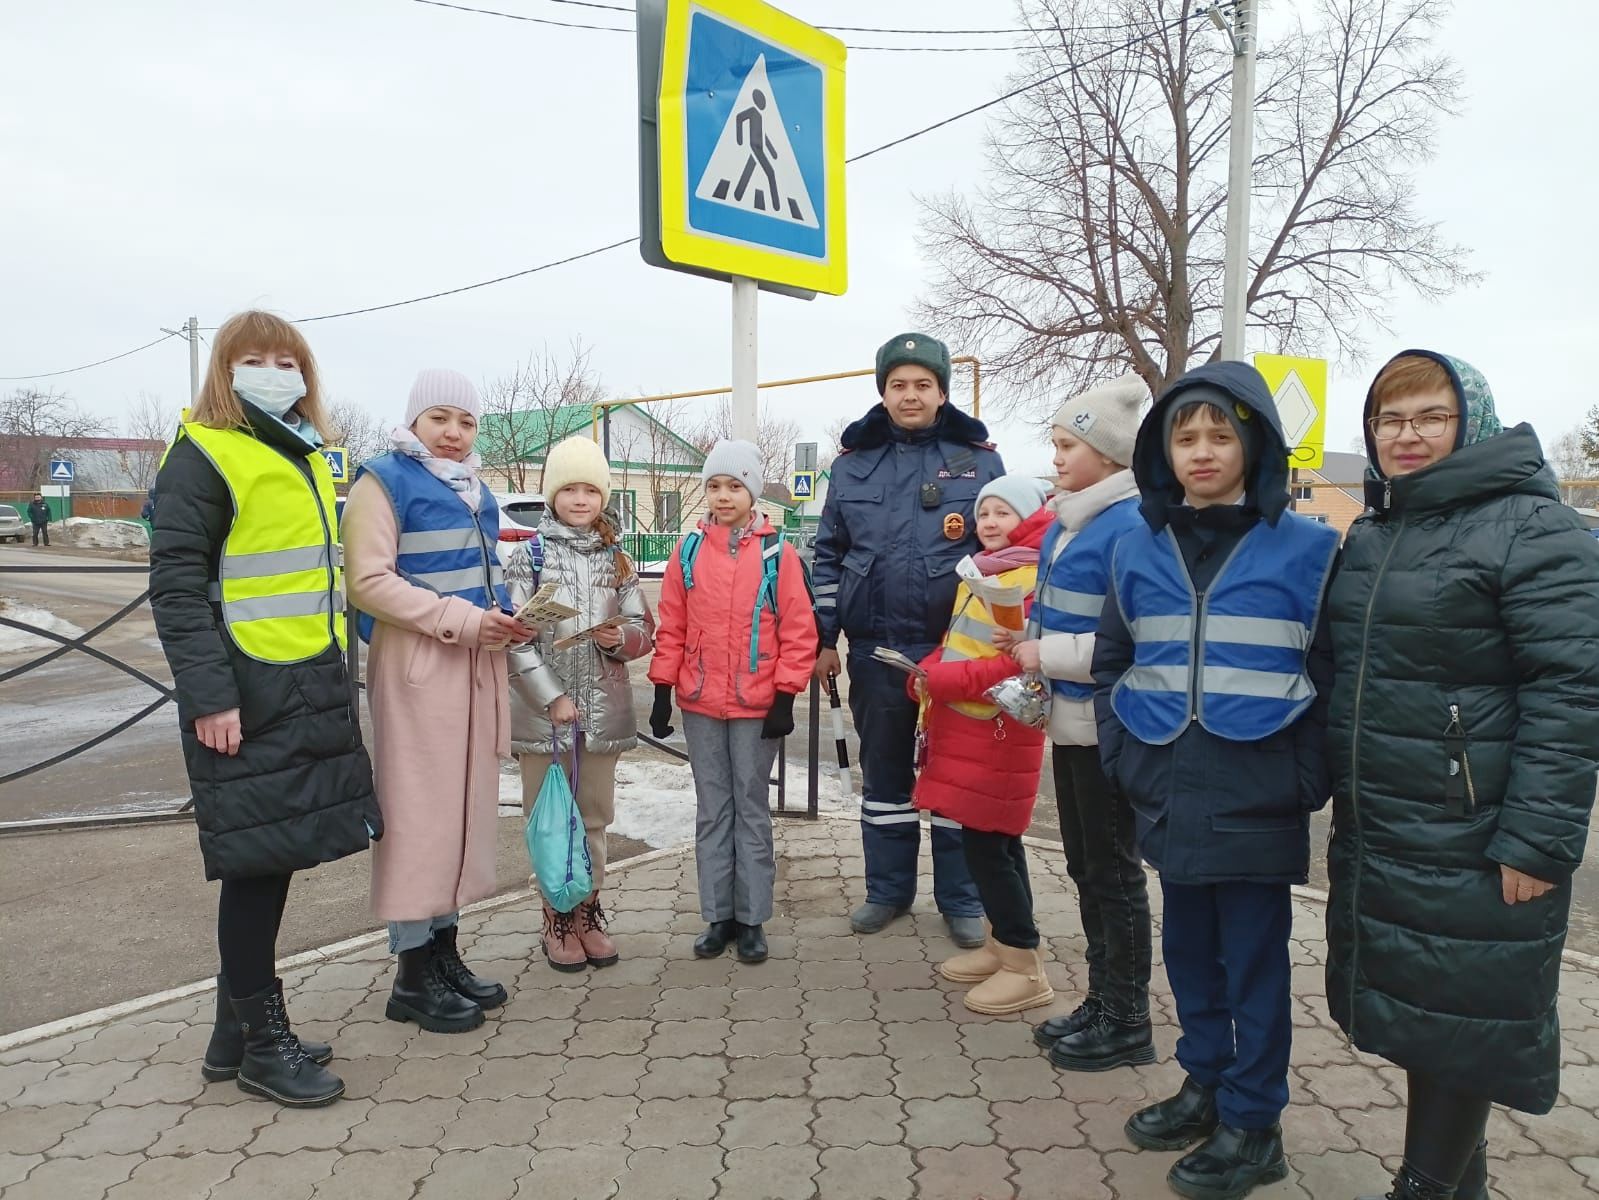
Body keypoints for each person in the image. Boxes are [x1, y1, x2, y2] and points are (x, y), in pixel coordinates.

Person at [1325, 352, 1599, 1200]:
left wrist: (1536, 843)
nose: (1405, 436)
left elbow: (1572, 689)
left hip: (1475, 830)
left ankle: (1425, 1186)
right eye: (1388, 419)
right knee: (1429, 1011)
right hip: (1386, 819)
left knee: (1459, 1009)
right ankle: (1456, 1184)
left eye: (1428, 416)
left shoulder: (1531, 526)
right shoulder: (1376, 528)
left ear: (1470, 420)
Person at [1093, 362, 1339, 1200]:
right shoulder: (1135, 543)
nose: (1201, 451)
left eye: (1220, 435)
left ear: (1254, 443)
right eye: (1183, 436)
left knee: (1254, 967)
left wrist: (1306, 775)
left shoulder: (1310, 547)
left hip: (1259, 788)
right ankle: (1202, 1083)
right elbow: (1111, 664)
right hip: (1166, 782)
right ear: (1163, 450)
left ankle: (1253, 1121)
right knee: (1188, 953)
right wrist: (1125, 761)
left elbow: (1332, 673)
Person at [149, 310, 379, 1108]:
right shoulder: (204, 454)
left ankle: (232, 1035)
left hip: (299, 679)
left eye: (288, 359)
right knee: (254, 868)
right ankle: (262, 1045)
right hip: (245, 691)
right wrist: (210, 697)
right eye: (255, 359)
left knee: (269, 859)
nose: (275, 370)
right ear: (225, 369)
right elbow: (177, 589)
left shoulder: (298, 450)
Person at [343, 368, 532, 1035]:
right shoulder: (382, 480)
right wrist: (461, 618)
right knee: (418, 813)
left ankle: (444, 950)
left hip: (473, 661)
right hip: (421, 663)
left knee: (460, 810)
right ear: (414, 421)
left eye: (465, 421)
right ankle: (411, 972)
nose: (453, 433)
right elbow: (367, 582)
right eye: (439, 418)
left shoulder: (474, 489)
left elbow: (480, 575)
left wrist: (506, 613)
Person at [811, 333, 1004, 948]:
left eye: (923, 384)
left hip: (958, 649)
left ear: (942, 390)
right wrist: (824, 639)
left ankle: (962, 899)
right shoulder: (851, 464)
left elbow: (1004, 551)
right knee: (887, 775)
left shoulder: (979, 461)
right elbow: (828, 557)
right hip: (876, 649)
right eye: (899, 384)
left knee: (956, 774)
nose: (911, 394)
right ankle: (887, 892)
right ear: (883, 392)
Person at [1006, 376, 1152, 1071]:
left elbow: (1138, 639)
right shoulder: (1076, 521)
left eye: (1069, 445)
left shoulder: (1127, 525)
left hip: (1107, 726)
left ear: (1107, 452)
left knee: (1112, 872)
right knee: (1086, 866)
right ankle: (1102, 1000)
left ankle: (1127, 1017)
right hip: (1070, 721)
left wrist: (1046, 653)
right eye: (1056, 445)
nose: (1057, 458)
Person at [649, 440, 818, 965]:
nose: (723, 496)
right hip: (700, 702)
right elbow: (672, 623)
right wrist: (661, 687)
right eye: (715, 486)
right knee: (712, 810)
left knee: (751, 810)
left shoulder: (778, 555)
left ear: (752, 491)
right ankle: (717, 915)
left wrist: (786, 694)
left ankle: (752, 919)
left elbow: (798, 629)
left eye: (734, 486)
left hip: (756, 706)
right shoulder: (689, 551)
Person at [505, 436, 655, 972]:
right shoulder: (530, 555)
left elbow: (643, 628)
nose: (580, 499)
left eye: (591, 489)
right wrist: (553, 698)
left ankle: (588, 911)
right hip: (544, 718)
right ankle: (555, 918)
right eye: (569, 488)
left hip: (603, 713)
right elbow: (516, 638)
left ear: (604, 496)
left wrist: (623, 640)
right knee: (549, 821)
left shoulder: (618, 559)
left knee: (593, 819)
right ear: (551, 495)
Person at [911, 474, 1054, 1014]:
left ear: (1027, 517)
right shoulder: (986, 570)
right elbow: (958, 644)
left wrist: (943, 681)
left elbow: (1015, 658)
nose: (990, 523)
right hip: (969, 725)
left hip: (999, 729)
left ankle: (1024, 963)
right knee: (987, 841)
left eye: (1002, 513)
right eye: (984, 513)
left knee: (991, 847)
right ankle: (1002, 944)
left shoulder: (1031, 572)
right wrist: (925, 670)